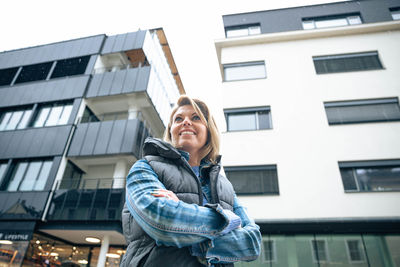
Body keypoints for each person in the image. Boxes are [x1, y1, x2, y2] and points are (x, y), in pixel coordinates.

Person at [121, 95, 261, 267]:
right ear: (171, 130)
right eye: (178, 119)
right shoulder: (145, 167)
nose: (185, 122)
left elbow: (252, 244)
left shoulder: (225, 186)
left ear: (209, 130)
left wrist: (185, 221)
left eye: (195, 118)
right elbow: (162, 220)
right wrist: (229, 220)